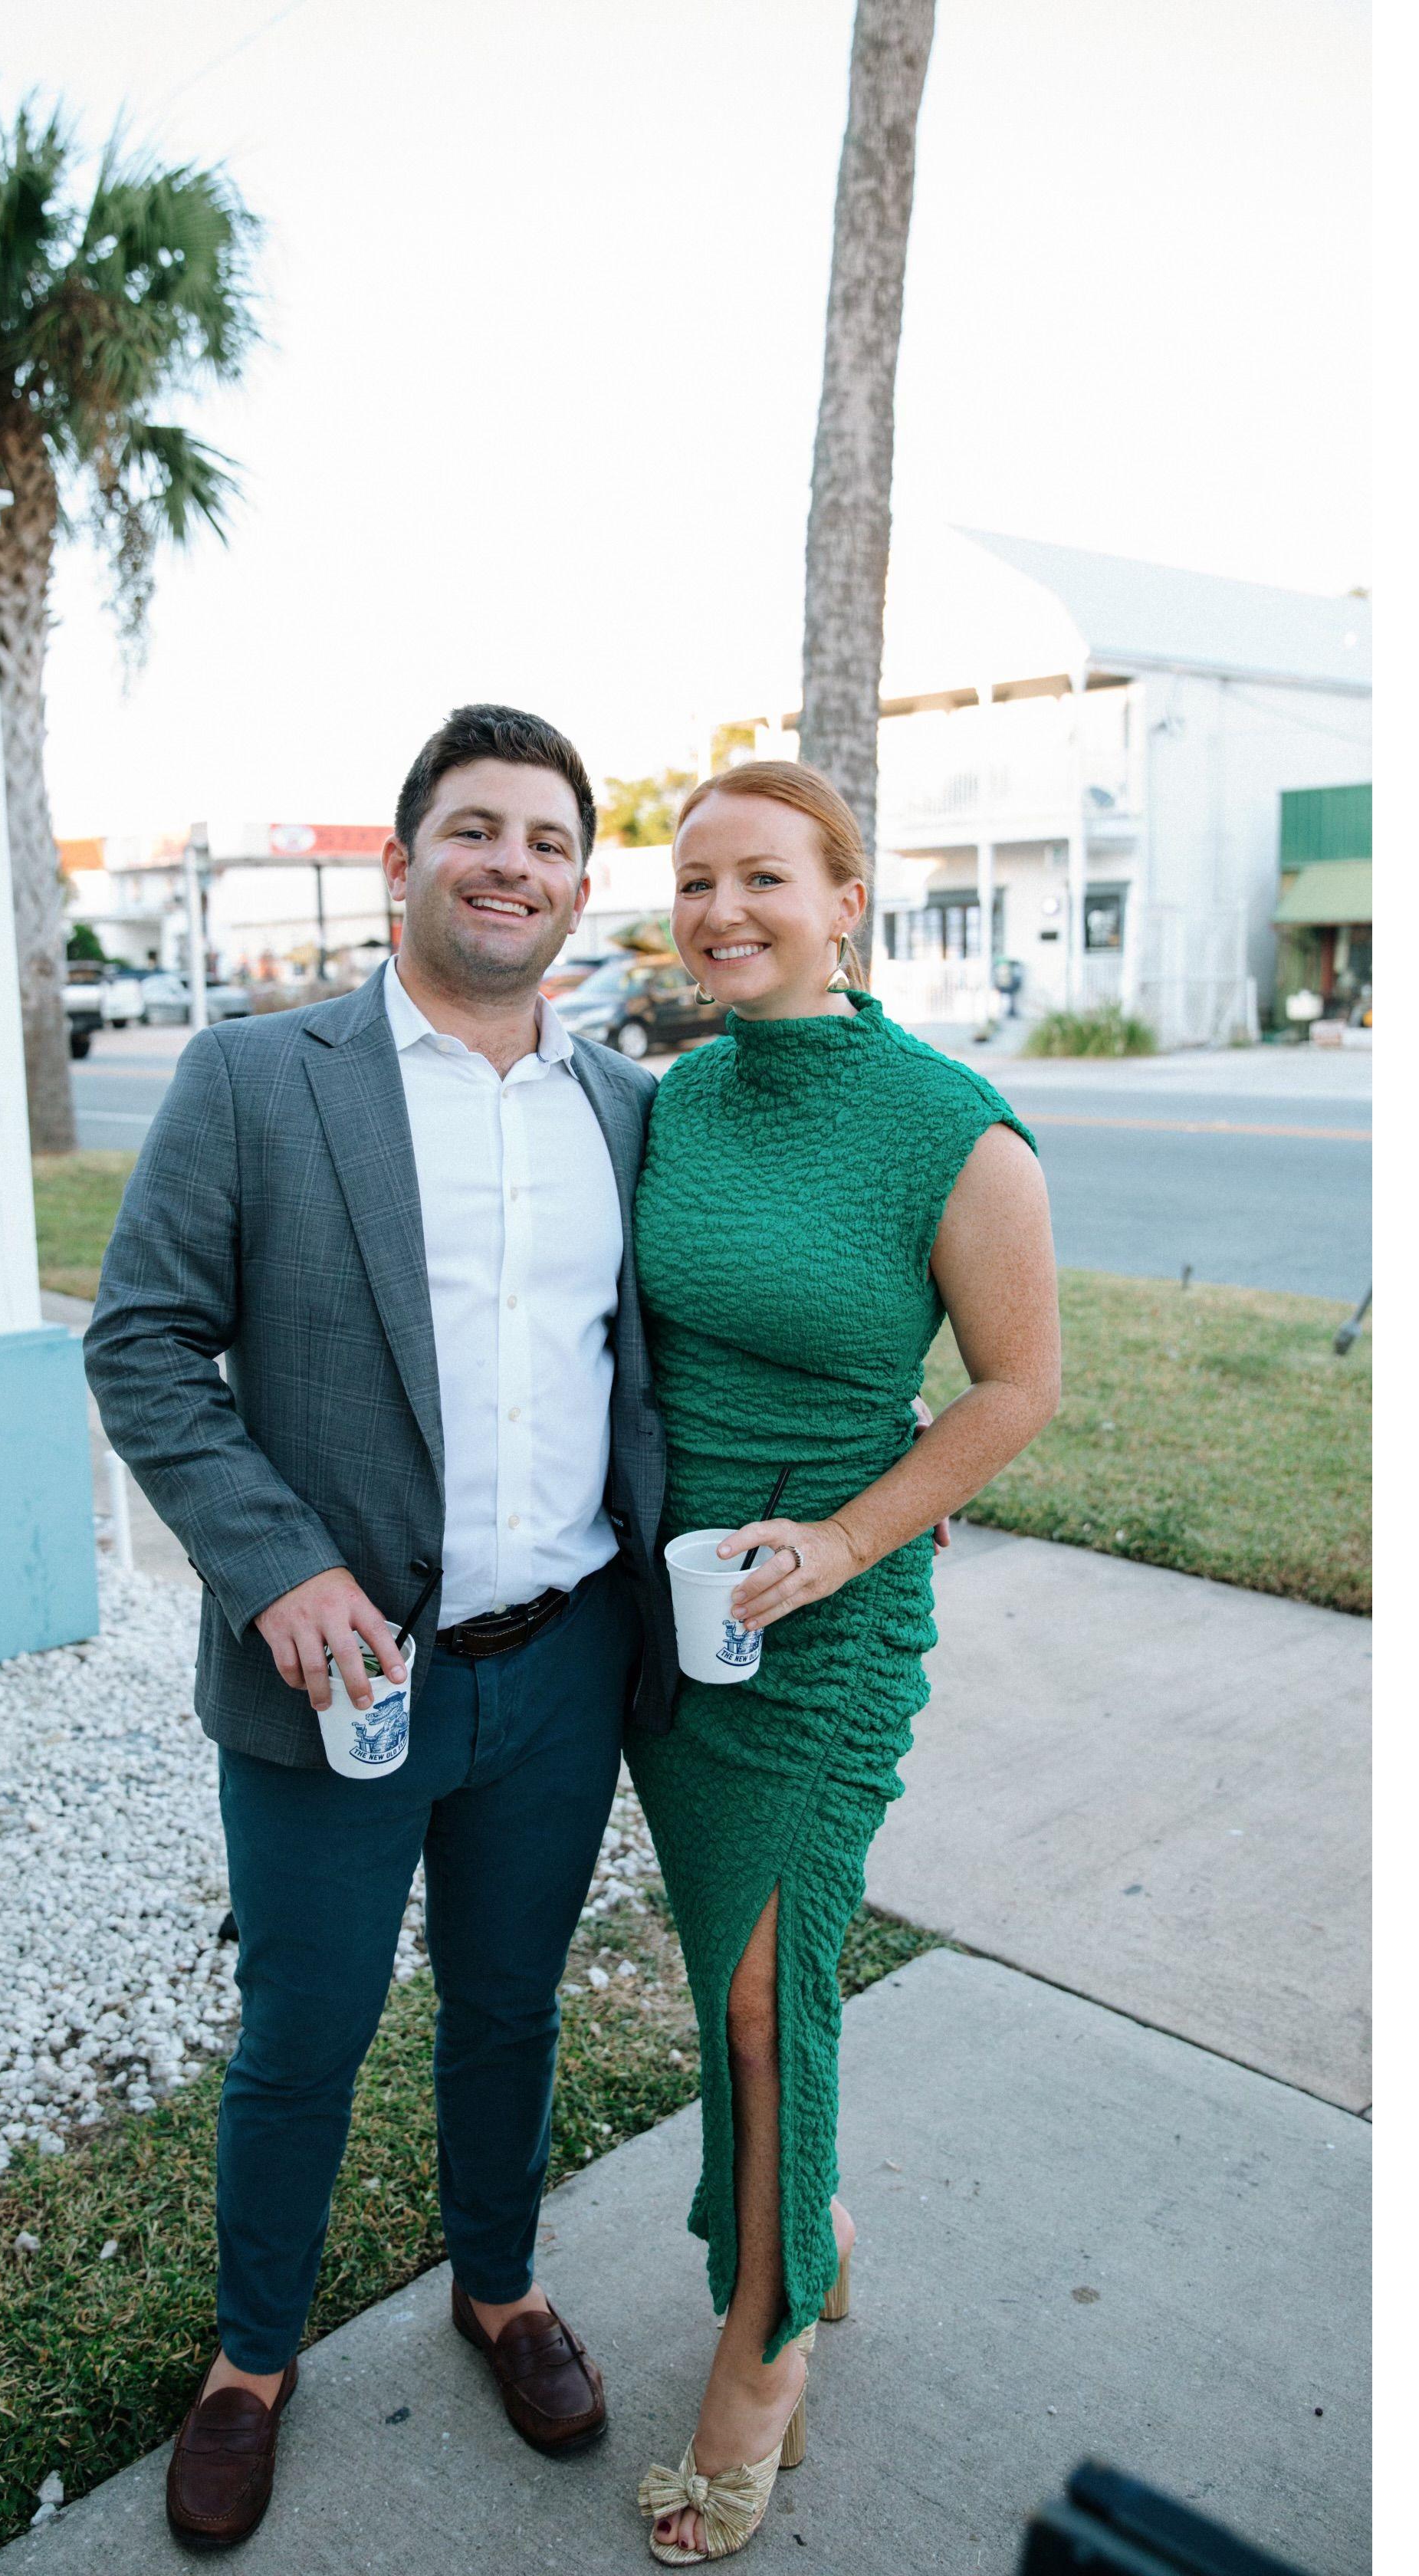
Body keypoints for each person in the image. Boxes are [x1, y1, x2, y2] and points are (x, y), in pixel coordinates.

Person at [83, 704, 675, 2552]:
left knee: (508, 2008)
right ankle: (251, 2359)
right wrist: (276, 1566)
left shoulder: (627, 1111)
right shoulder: (258, 1078)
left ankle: (499, 2286)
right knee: (306, 2030)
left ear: (579, 885)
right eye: (478, 829)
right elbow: (143, 1343)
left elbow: (686, 1351)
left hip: (560, 1665)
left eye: (551, 840)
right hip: (339, 1673)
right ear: (407, 859)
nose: (514, 865)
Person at [625, 761, 1063, 2563]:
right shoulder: (676, 1100)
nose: (723, 912)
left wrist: (850, 1540)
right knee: (732, 1983)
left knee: (762, 1995)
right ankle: (808, 2237)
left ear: (845, 903)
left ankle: (763, 2355)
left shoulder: (952, 1129)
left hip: (829, 1625)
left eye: (763, 880)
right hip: (680, 1627)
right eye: (696, 883)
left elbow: (1018, 1389)